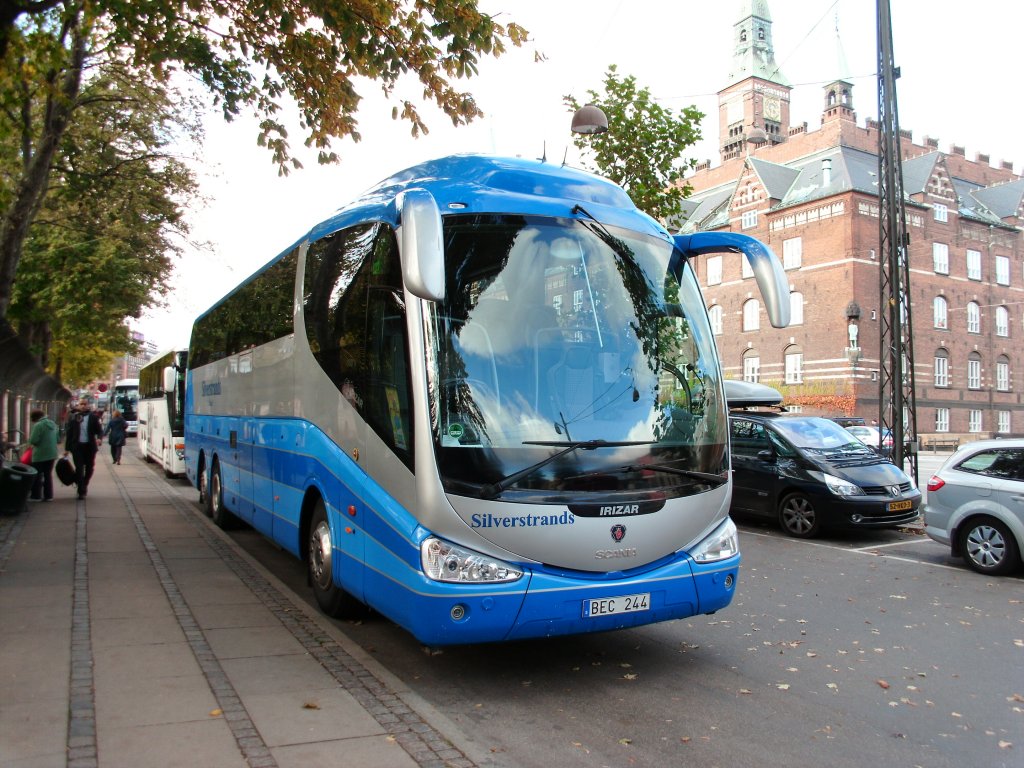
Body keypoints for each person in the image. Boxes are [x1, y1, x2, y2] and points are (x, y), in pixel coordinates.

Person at [64, 398, 103, 499]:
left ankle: (84, 483)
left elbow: (99, 430)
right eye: (81, 404)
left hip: (89, 447)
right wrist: (67, 449)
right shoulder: (74, 417)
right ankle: (81, 491)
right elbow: (69, 434)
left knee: (90, 468)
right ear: (78, 405)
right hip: (77, 447)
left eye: (85, 404)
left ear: (88, 405)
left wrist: (99, 439)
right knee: (79, 468)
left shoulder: (93, 417)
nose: (83, 406)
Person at [27, 409, 59, 501]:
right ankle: (48, 496)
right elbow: (57, 438)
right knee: (48, 474)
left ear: (35, 417)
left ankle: (36, 496)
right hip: (52, 453)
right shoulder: (53, 424)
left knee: (37, 475)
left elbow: (34, 440)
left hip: (40, 454)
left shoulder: (38, 425)